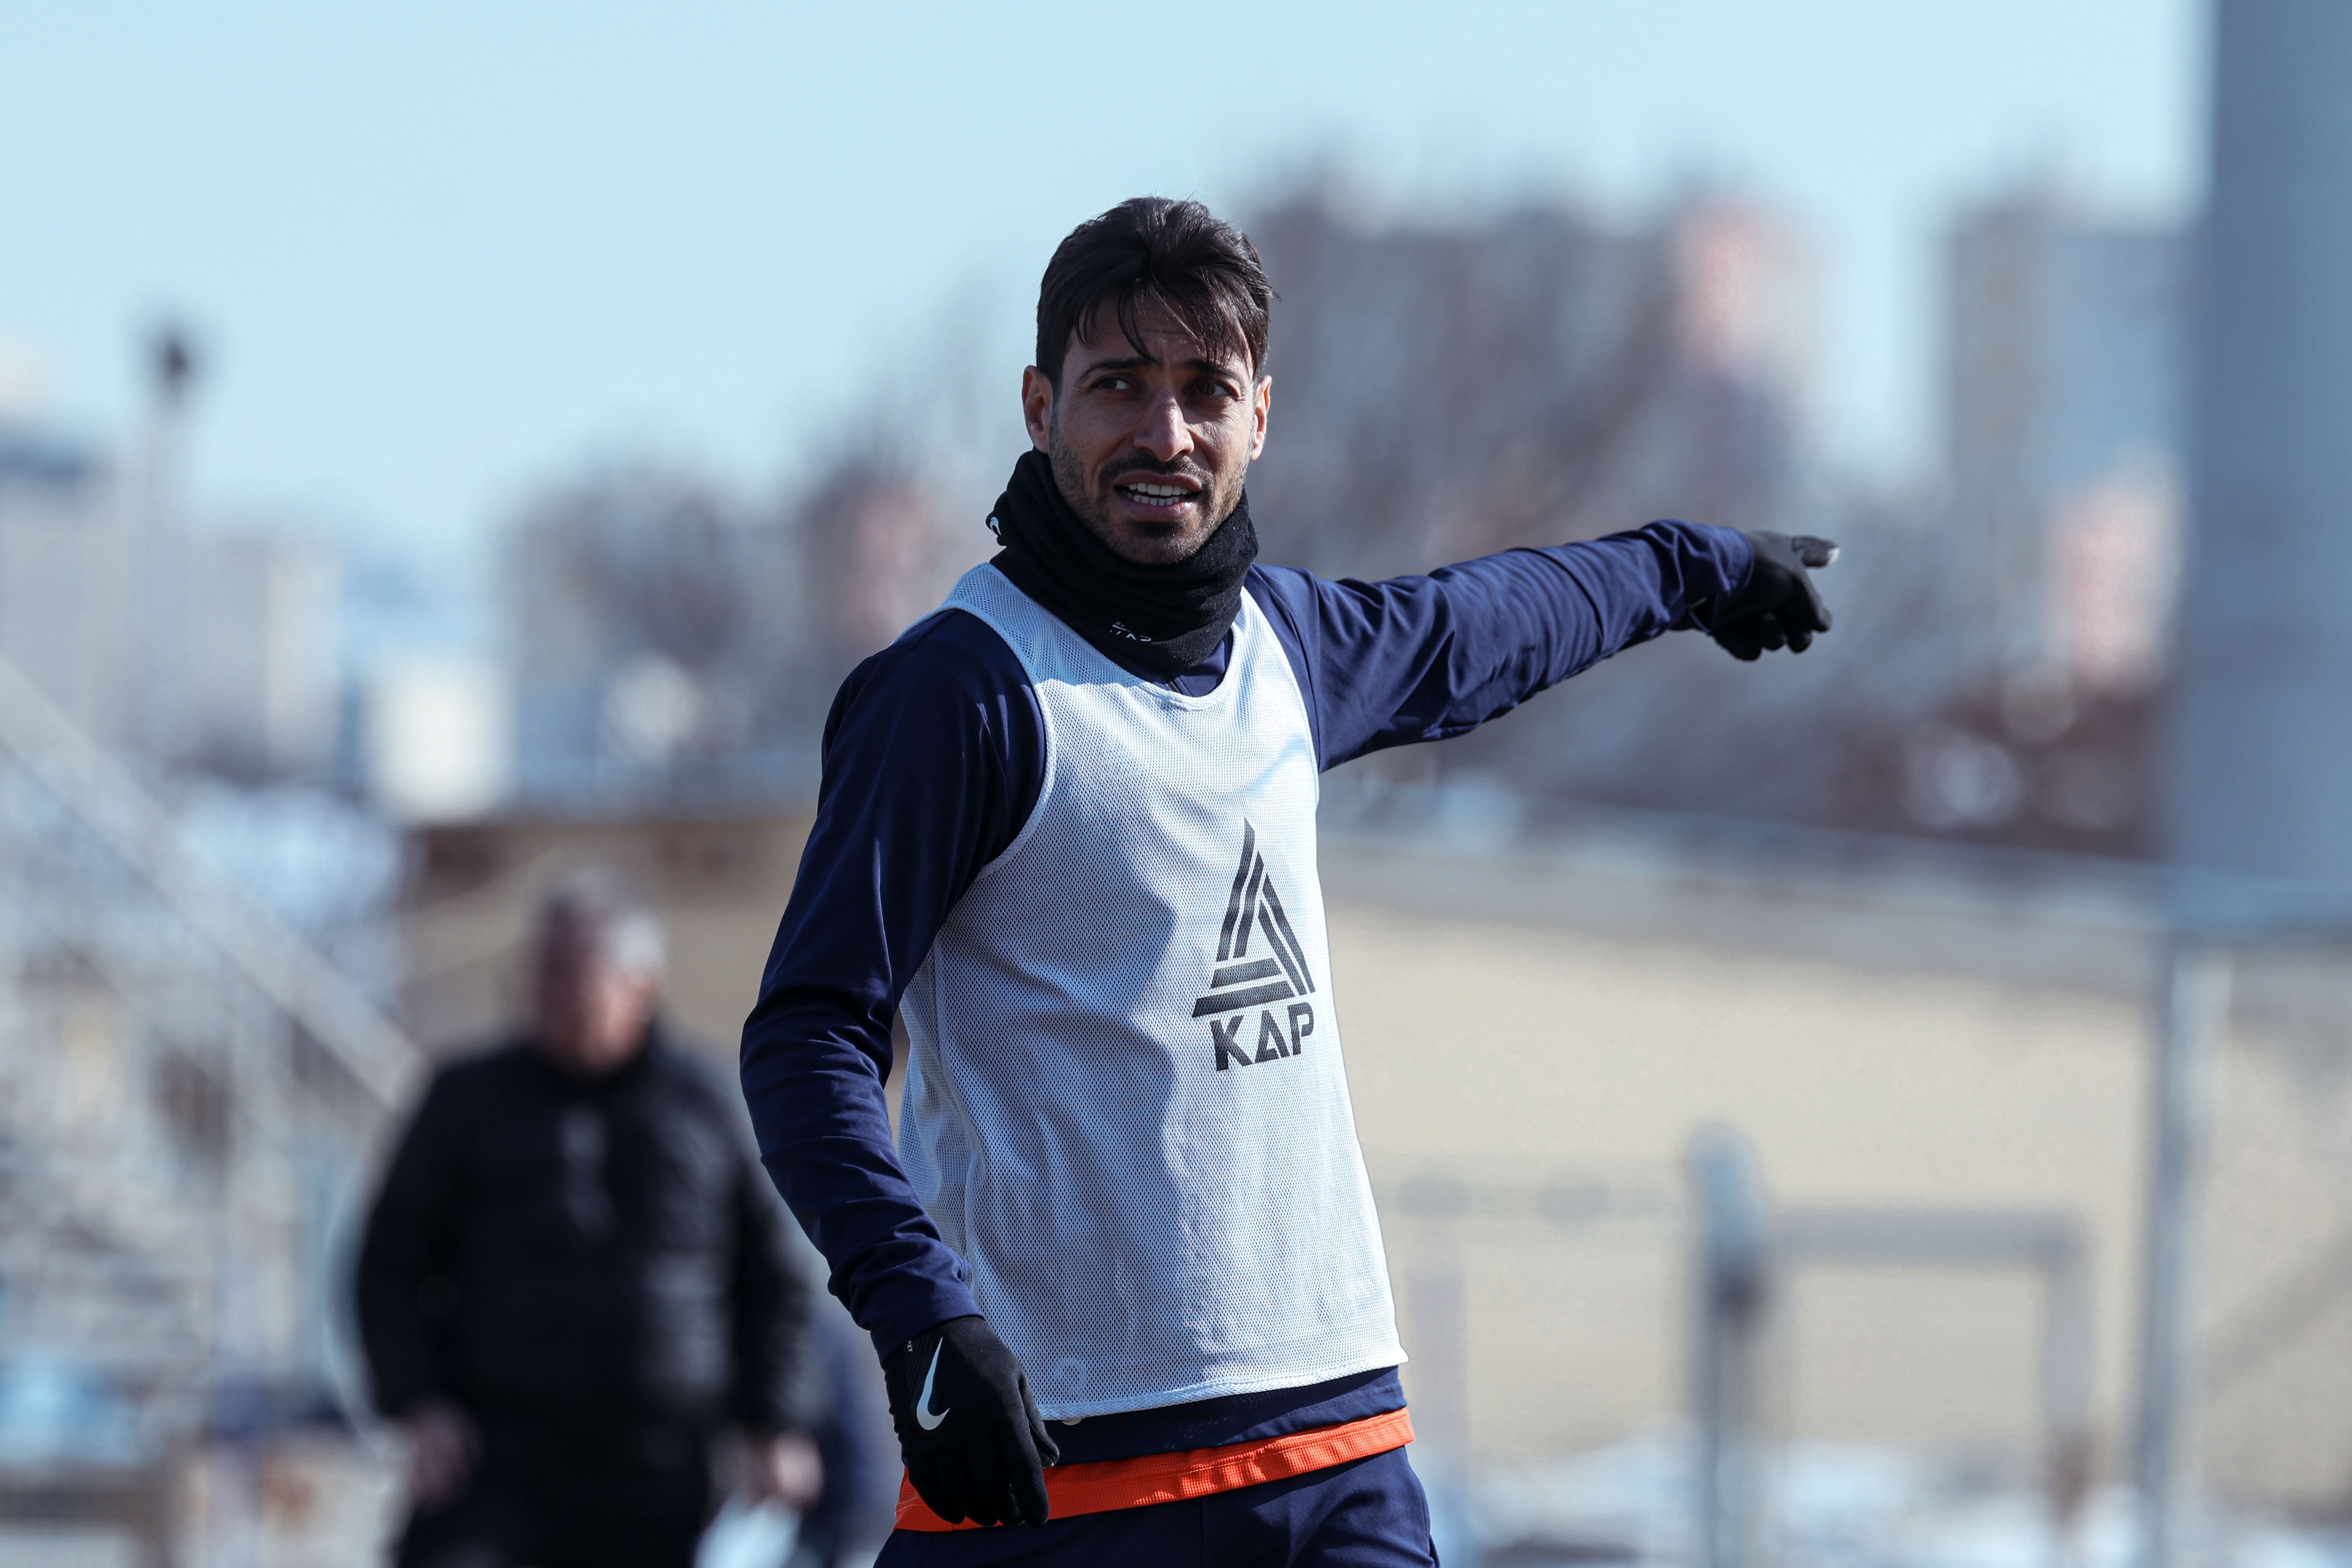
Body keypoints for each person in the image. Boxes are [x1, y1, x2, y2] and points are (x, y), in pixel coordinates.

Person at [740, 197, 1837, 1566]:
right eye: (1118, 386)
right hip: (1067, 1467)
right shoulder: (957, 693)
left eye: (1206, 391)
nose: (1166, 432)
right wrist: (920, 1317)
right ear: (1039, 406)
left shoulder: (1290, 646)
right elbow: (809, 1037)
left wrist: (1699, 566)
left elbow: (1490, 623)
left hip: (1337, 1443)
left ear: (1261, 415)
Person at [358, 870, 824, 1568]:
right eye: (539, 970)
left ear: (638, 985)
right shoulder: (463, 1102)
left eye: (569, 973)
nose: (545, 991)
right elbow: (388, 1264)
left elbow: (778, 1277)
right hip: (496, 1458)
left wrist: (779, 1423)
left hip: (663, 1470)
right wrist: (417, 1400)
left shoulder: (707, 1104)